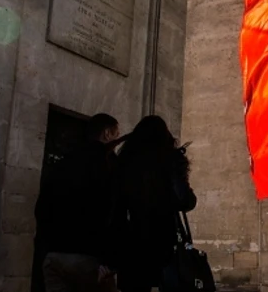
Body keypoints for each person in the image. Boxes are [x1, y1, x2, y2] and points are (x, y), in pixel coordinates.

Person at [35, 113, 121, 292]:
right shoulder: (107, 164)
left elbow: (42, 208)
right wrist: (108, 259)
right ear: (106, 134)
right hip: (89, 258)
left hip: (54, 256)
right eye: (116, 135)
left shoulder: (64, 161)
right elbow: (109, 211)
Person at [111, 115, 197, 292]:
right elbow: (186, 201)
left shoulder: (125, 163)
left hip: (131, 242)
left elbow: (116, 206)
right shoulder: (170, 161)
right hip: (164, 242)